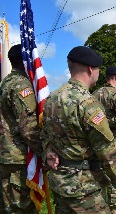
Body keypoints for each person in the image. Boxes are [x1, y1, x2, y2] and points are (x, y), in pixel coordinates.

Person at [41, 46, 116, 213]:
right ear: (91, 69)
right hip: (84, 187)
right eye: (98, 69)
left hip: (60, 183)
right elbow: (107, 150)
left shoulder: (51, 99)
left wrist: (47, 152)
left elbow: (45, 134)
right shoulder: (87, 103)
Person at [0, 44, 43, 213]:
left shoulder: (6, 82)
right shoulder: (21, 86)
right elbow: (29, 128)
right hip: (18, 159)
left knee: (6, 206)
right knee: (21, 208)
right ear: (26, 61)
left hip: (6, 156)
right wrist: (45, 151)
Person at [93, 66, 116, 213]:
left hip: (97, 140)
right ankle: (114, 207)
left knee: (100, 170)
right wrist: (106, 122)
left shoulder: (95, 94)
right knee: (115, 171)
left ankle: (101, 202)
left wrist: (100, 123)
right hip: (114, 140)